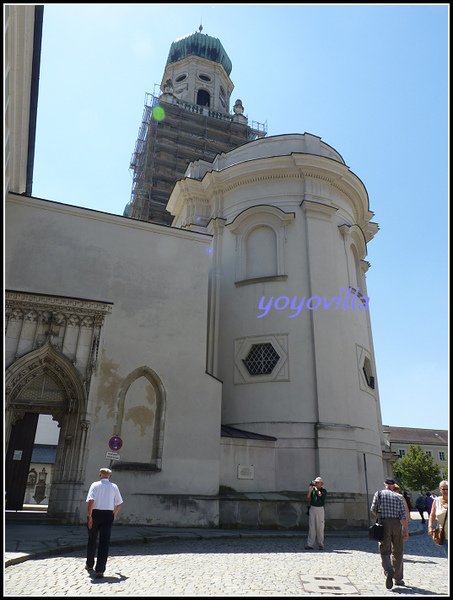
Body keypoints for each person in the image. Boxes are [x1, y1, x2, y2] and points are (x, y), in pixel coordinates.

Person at [85, 467, 123, 578]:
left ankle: (89, 564)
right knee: (104, 542)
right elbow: (119, 504)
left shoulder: (95, 485)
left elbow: (91, 501)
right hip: (108, 515)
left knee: (92, 539)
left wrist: (89, 516)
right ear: (109, 476)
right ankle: (100, 570)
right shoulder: (114, 487)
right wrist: (114, 514)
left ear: (100, 475)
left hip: (95, 514)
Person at [370, 477, 407, 590]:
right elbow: (403, 515)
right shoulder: (398, 496)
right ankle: (398, 578)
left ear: (385, 484)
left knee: (385, 550)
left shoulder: (379, 494)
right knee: (398, 551)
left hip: (384, 523)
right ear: (393, 485)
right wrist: (405, 529)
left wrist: (379, 516)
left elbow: (373, 509)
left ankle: (388, 570)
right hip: (397, 523)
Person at [305, 476, 327, 551]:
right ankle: (310, 544)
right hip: (313, 507)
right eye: (316, 482)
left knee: (320, 527)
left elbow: (320, 494)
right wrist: (310, 490)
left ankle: (321, 544)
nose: (316, 484)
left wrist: (315, 489)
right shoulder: (313, 490)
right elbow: (308, 497)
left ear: (321, 484)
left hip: (320, 509)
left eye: (318, 482)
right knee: (312, 526)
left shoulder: (323, 490)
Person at [428, 480, 448, 557]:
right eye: (443, 489)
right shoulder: (436, 501)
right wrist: (430, 527)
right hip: (444, 535)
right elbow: (432, 515)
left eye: (447, 489)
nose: (445, 491)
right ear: (440, 490)